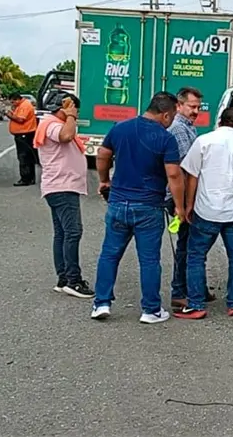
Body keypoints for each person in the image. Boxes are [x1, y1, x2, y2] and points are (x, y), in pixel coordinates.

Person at [90, 92, 186, 324]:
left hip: (118, 203)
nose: (172, 121)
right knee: (149, 260)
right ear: (165, 115)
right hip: (149, 206)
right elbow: (174, 175)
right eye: (173, 116)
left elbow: (102, 155)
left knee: (110, 254)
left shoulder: (120, 128)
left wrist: (104, 180)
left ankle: (101, 303)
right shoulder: (165, 138)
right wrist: (180, 207)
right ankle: (151, 310)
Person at [174, 107, 233, 320]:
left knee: (196, 256)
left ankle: (196, 304)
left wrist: (189, 205)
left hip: (207, 210)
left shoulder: (204, 142)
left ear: (220, 121)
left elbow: (192, 176)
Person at [34, 92, 93, 298]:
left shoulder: (52, 123)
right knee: (73, 232)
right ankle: (72, 280)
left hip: (61, 186)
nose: (77, 113)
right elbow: (66, 136)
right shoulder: (51, 124)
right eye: (75, 108)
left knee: (62, 233)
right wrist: (70, 115)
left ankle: (63, 278)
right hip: (62, 187)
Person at [164, 87, 217, 308]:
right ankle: (180, 290)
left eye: (198, 107)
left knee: (190, 243)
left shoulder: (188, 127)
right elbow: (185, 169)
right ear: (179, 106)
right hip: (182, 195)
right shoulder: (179, 129)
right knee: (187, 245)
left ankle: (195, 287)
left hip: (184, 195)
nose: (196, 111)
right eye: (192, 106)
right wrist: (187, 204)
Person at [6, 93, 38, 186]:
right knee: (28, 157)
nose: (12, 104)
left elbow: (20, 119)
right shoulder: (22, 105)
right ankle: (30, 178)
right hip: (25, 134)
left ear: (17, 99)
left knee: (24, 157)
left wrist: (9, 115)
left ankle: (25, 179)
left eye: (13, 102)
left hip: (24, 134)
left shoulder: (24, 106)